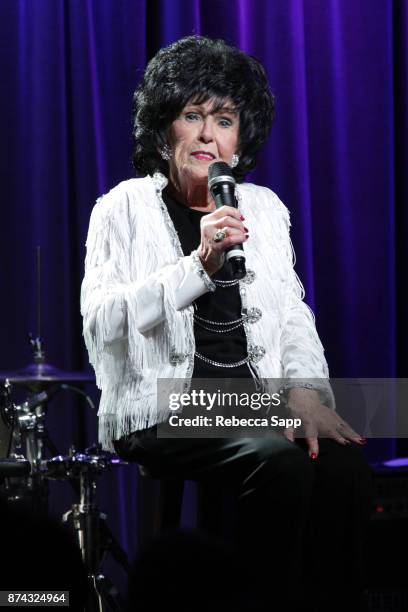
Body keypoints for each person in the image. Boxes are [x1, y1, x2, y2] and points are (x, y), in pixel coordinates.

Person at [81, 36, 372, 611]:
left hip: (254, 402)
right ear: (165, 131)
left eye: (225, 119)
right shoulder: (123, 208)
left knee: (344, 466)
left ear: (241, 141)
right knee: (282, 464)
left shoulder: (263, 209)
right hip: (160, 405)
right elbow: (102, 324)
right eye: (192, 116)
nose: (208, 135)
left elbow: (292, 318)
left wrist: (306, 393)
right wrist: (198, 267)